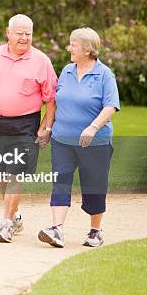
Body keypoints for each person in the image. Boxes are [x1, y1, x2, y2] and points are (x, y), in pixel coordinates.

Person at [0, 14, 57, 243]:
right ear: (8, 33)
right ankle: (15, 217)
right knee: (0, 175)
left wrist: (45, 127)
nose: (24, 38)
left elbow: (52, 100)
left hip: (25, 126)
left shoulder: (41, 61)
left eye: (28, 33)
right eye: (19, 33)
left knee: (14, 174)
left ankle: (6, 225)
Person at [38, 27, 120, 248]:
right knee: (60, 180)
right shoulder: (66, 70)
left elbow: (111, 106)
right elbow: (55, 102)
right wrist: (47, 128)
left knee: (94, 185)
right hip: (62, 140)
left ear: (87, 49)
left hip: (94, 142)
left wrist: (93, 127)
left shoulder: (104, 74)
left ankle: (95, 231)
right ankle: (57, 229)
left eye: (73, 44)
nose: (69, 48)